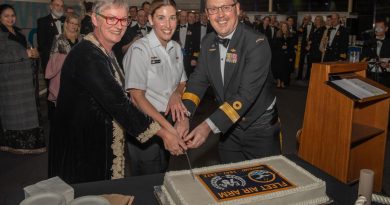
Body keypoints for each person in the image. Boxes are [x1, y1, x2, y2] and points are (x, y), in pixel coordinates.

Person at [49, 0, 186, 184]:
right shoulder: (88, 55)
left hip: (93, 141)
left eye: (123, 20)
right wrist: (165, 134)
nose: (119, 26)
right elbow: (121, 104)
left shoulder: (105, 51)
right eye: (112, 19)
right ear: (95, 20)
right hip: (80, 148)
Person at [176, 0, 281, 163]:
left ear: (237, 9)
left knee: (264, 182)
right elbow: (198, 81)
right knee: (230, 179)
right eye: (213, 9)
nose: (220, 15)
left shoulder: (256, 42)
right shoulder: (207, 42)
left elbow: (245, 95)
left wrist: (207, 126)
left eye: (226, 7)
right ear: (207, 14)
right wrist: (185, 115)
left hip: (259, 127)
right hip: (228, 124)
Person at [123, 0, 187, 175]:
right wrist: (170, 129)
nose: (168, 25)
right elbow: (136, 97)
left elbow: (182, 82)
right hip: (146, 122)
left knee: (162, 173)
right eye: (161, 18)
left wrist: (176, 94)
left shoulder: (175, 48)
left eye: (172, 18)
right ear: (151, 20)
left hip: (167, 119)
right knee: (147, 180)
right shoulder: (139, 50)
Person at [0, 4, 45, 154]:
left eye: (12, 15)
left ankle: (31, 144)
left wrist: (34, 55)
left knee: (30, 113)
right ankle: (14, 145)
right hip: (11, 82)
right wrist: (24, 54)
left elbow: (27, 51)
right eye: (6, 16)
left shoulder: (19, 32)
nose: (10, 18)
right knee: (16, 115)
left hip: (26, 79)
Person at [45, 13, 82, 114]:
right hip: (62, 76)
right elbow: (52, 57)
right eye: (72, 23)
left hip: (79, 77)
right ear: (66, 24)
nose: (74, 26)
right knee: (64, 109)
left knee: (78, 107)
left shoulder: (82, 39)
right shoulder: (58, 38)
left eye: (76, 24)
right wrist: (65, 58)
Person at [37, 0, 65, 78]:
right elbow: (41, 44)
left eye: (61, 6)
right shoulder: (43, 21)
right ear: (51, 6)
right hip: (50, 61)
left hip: (66, 60)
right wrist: (55, 56)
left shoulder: (66, 20)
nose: (59, 8)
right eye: (57, 5)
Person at [362, 20, 390, 87]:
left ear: (386, 29)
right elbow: (363, 58)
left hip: (386, 78)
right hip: (370, 76)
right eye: (376, 27)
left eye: (381, 27)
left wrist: (388, 65)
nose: (377, 29)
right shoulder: (368, 42)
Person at [272, 22, 294, 88]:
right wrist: (281, 46)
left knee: (285, 70)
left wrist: (291, 56)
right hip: (279, 55)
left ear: (287, 27)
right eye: (283, 26)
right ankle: (278, 82)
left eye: (285, 26)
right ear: (281, 27)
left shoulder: (290, 35)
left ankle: (283, 82)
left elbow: (292, 47)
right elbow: (274, 45)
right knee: (278, 69)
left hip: (286, 56)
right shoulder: (277, 34)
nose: (284, 28)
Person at [306, 15, 325, 80]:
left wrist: (312, 42)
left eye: (318, 20)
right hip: (311, 51)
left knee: (316, 68)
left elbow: (321, 40)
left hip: (317, 52)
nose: (317, 21)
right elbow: (310, 38)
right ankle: (310, 80)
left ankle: (315, 80)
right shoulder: (313, 28)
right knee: (310, 67)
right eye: (316, 19)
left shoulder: (323, 29)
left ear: (321, 21)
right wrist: (308, 44)